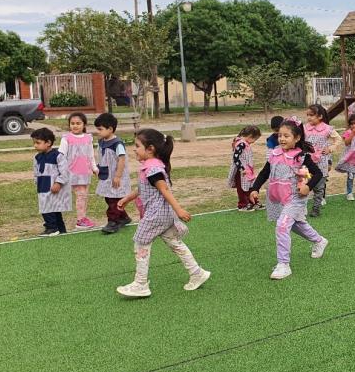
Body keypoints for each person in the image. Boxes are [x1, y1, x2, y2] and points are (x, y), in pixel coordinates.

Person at [115, 129, 210, 298]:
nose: (134, 149)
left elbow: (164, 189)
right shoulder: (153, 166)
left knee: (141, 243)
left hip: (156, 215)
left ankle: (140, 284)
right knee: (174, 242)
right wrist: (128, 198)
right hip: (164, 215)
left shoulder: (152, 168)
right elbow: (144, 188)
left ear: (150, 149)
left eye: (137, 146)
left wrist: (179, 209)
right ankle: (197, 272)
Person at [249, 119, 329, 280]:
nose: (282, 139)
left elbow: (317, 173)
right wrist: (255, 188)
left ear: (297, 138)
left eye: (286, 136)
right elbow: (265, 172)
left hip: (295, 198)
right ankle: (319, 240)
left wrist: (308, 186)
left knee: (282, 226)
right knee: (295, 224)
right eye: (280, 135)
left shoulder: (302, 156)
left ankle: (283, 264)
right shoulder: (274, 153)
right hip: (278, 197)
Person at [58, 112, 99, 230]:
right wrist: (62, 172)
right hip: (72, 173)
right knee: (81, 195)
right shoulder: (66, 138)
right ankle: (80, 220)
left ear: (84, 124)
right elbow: (61, 156)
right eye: (72, 123)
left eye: (78, 123)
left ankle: (83, 218)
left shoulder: (88, 138)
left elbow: (90, 155)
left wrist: (94, 168)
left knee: (84, 196)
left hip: (85, 172)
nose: (75, 126)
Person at [94, 113, 131, 234]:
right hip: (106, 175)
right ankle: (123, 217)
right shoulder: (102, 141)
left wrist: (118, 176)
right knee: (109, 198)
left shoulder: (117, 143)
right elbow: (102, 157)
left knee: (114, 199)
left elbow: (122, 159)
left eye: (100, 129)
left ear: (110, 129)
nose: (98, 132)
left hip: (115, 176)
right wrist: (98, 167)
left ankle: (113, 221)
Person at [303, 104, 343, 217]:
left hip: (321, 162)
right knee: (304, 183)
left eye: (311, 115)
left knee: (319, 187)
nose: (309, 117)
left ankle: (316, 209)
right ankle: (301, 209)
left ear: (320, 116)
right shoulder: (305, 128)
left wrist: (330, 148)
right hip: (307, 163)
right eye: (307, 115)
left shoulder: (327, 129)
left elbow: (338, 139)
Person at [32, 128, 71, 236]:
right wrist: (37, 181)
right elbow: (36, 172)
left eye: (38, 143)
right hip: (42, 186)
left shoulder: (58, 156)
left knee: (52, 208)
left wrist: (58, 183)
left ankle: (52, 227)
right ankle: (59, 229)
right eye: (34, 143)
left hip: (54, 187)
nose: (35, 145)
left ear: (48, 143)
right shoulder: (37, 157)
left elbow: (64, 172)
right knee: (46, 207)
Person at [227, 125, 261, 211]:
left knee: (250, 186)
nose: (254, 142)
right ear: (250, 136)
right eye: (255, 139)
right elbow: (236, 157)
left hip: (247, 170)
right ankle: (243, 205)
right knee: (241, 188)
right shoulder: (241, 144)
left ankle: (253, 202)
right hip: (241, 171)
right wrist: (241, 168)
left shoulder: (245, 143)